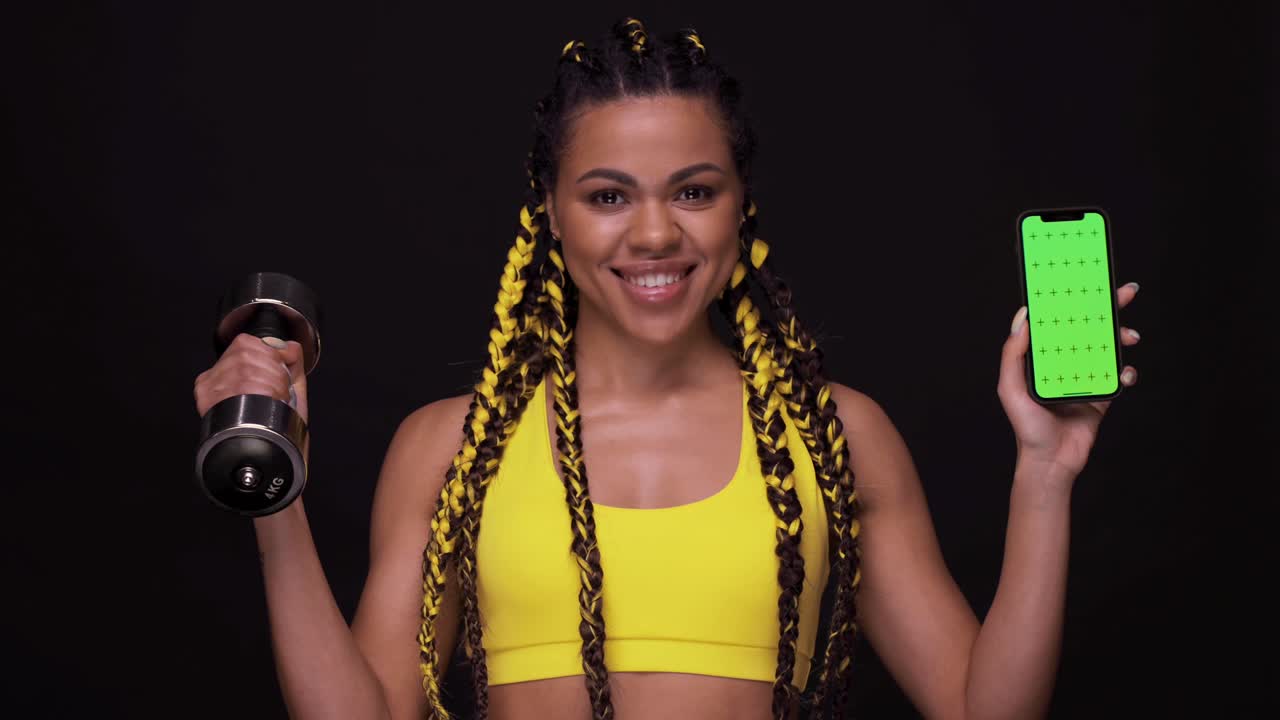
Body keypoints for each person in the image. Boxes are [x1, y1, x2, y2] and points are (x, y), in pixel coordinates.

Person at [193, 17, 1143, 720]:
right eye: (609, 196)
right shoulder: (451, 447)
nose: (654, 234)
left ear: (740, 206)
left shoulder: (836, 436)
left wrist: (1045, 472)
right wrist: (273, 496)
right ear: (550, 214)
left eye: (693, 191)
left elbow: (984, 710)